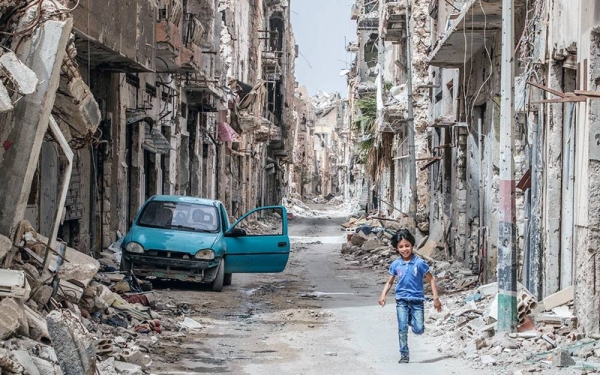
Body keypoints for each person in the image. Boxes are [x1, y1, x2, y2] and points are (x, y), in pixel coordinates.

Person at [378, 228, 442, 364]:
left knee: (418, 329)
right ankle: (404, 354)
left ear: (412, 245)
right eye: (401, 246)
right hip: (401, 300)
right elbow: (390, 281)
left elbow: (431, 279)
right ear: (396, 248)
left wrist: (436, 298)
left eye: (407, 246)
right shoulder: (396, 264)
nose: (404, 249)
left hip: (417, 300)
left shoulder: (419, 263)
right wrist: (383, 295)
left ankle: (409, 320)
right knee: (402, 329)